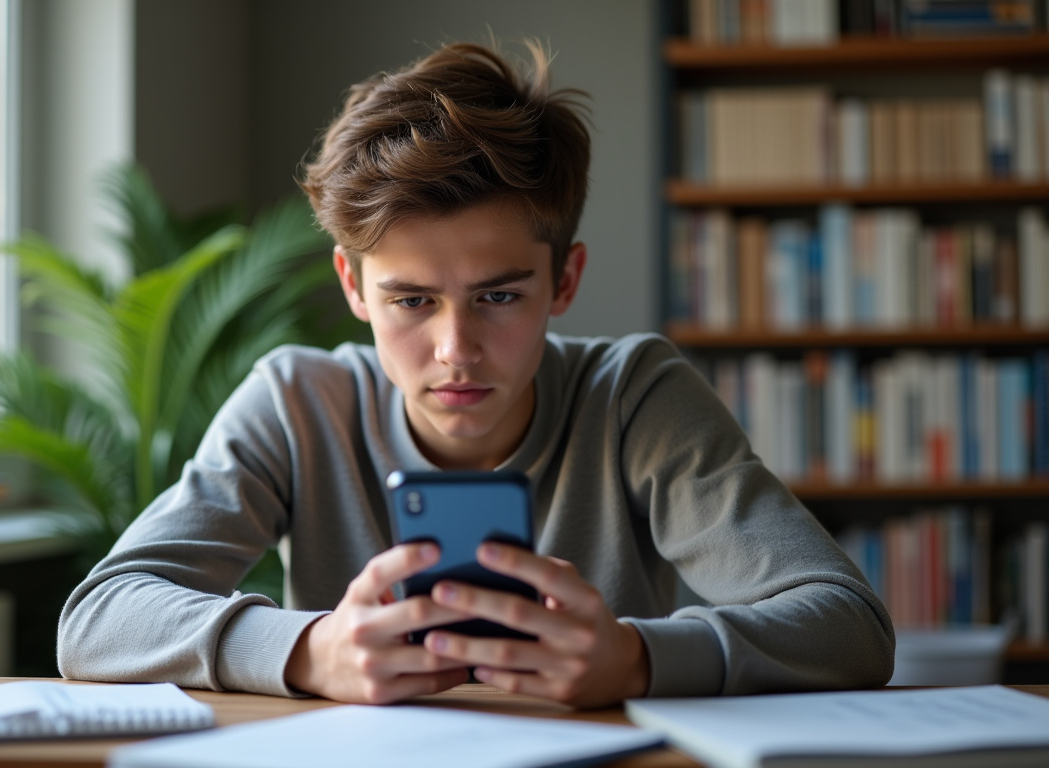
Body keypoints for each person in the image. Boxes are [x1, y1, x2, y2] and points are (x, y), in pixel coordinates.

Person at [57, 41, 895, 708]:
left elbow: (850, 627)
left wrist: (636, 659)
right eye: (412, 300)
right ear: (353, 287)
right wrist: (310, 651)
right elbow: (97, 619)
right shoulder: (295, 401)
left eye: (498, 295)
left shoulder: (634, 396)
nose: (456, 346)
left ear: (564, 281)